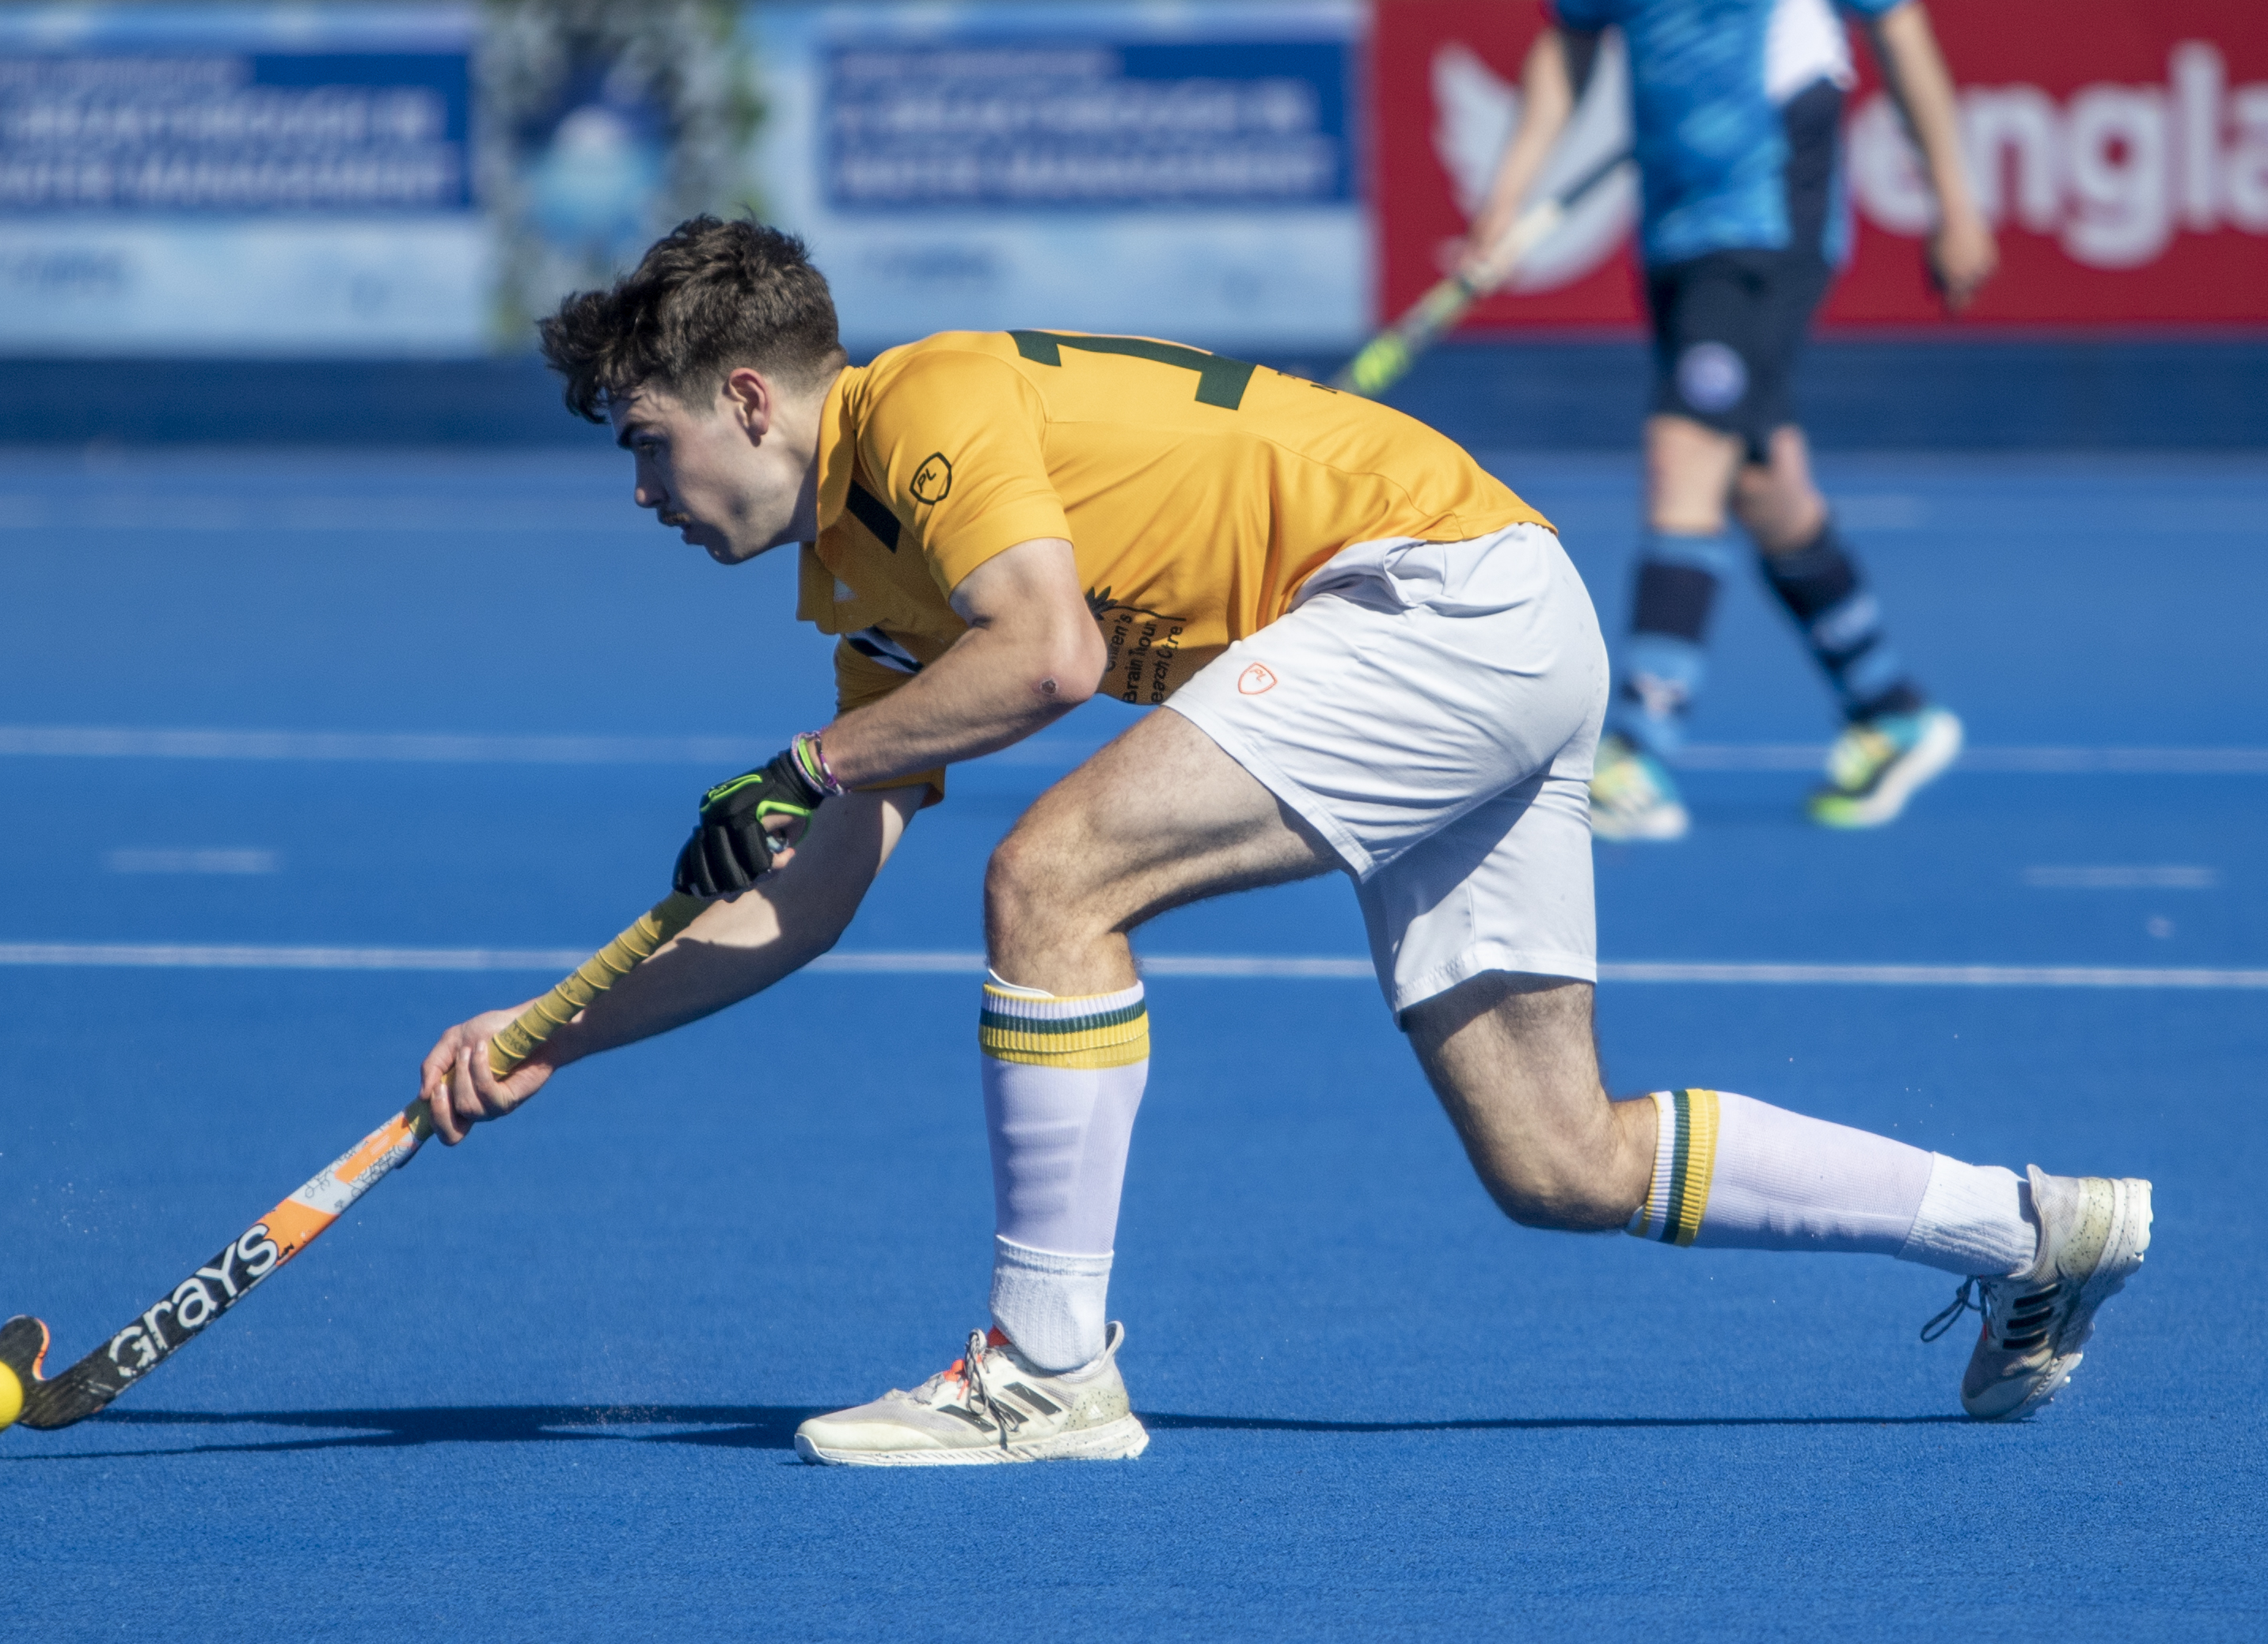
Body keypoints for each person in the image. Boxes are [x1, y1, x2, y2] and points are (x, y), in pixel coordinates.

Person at [418, 217, 2146, 1467]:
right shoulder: (857, 581)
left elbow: (1047, 656)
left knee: (1052, 878)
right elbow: (808, 897)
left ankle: (1045, 1370)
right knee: (1557, 1160)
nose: (639, 494)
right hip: (1499, 619)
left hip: (1430, 600)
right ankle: (2026, 1228)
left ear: (744, 397)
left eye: (646, 445)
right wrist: (553, 1031)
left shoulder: (918, 406)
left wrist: (803, 759)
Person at [1465, 0, 1994, 839]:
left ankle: (1640, 748)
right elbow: (1569, 46)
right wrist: (1504, 204)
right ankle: (1890, 709)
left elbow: (1898, 31)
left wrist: (1954, 204)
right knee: (1758, 480)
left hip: (1767, 213)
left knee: (1685, 450)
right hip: (1675, 230)